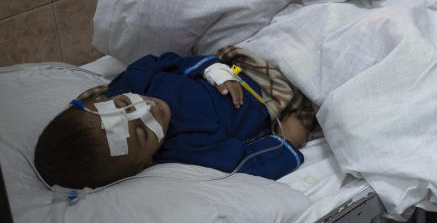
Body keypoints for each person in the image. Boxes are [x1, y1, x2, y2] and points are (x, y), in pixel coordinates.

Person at [34, 47, 316, 190]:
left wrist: (215, 71)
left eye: (123, 105)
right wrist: (286, 141)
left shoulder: (130, 83)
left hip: (235, 68)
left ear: (99, 101)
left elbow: (164, 61)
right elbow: (247, 163)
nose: (147, 109)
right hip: (273, 103)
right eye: (143, 132)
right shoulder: (188, 150)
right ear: (142, 164)